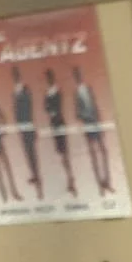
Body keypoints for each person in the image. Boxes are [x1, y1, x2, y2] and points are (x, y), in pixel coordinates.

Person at [74, 66, 112, 194]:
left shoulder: (89, 89)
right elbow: (77, 114)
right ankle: (100, 185)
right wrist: (86, 115)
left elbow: (95, 106)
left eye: (79, 74)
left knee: (103, 151)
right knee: (94, 155)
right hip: (88, 126)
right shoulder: (76, 94)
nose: (78, 77)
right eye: (76, 75)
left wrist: (99, 122)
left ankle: (107, 182)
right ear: (75, 78)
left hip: (96, 124)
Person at [44, 69, 76, 198]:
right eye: (48, 79)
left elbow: (56, 107)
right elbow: (46, 108)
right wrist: (51, 110)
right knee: (61, 153)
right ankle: (69, 179)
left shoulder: (57, 91)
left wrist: (52, 110)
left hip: (59, 123)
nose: (49, 80)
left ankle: (70, 179)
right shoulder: (48, 93)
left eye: (50, 78)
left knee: (64, 152)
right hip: (54, 124)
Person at [12, 67, 42, 199]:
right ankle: (35, 177)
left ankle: (39, 183)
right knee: (28, 155)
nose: (15, 77)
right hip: (23, 128)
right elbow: (16, 111)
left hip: (28, 125)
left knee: (32, 155)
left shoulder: (25, 90)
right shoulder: (15, 92)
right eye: (14, 75)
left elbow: (29, 108)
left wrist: (32, 126)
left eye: (16, 75)